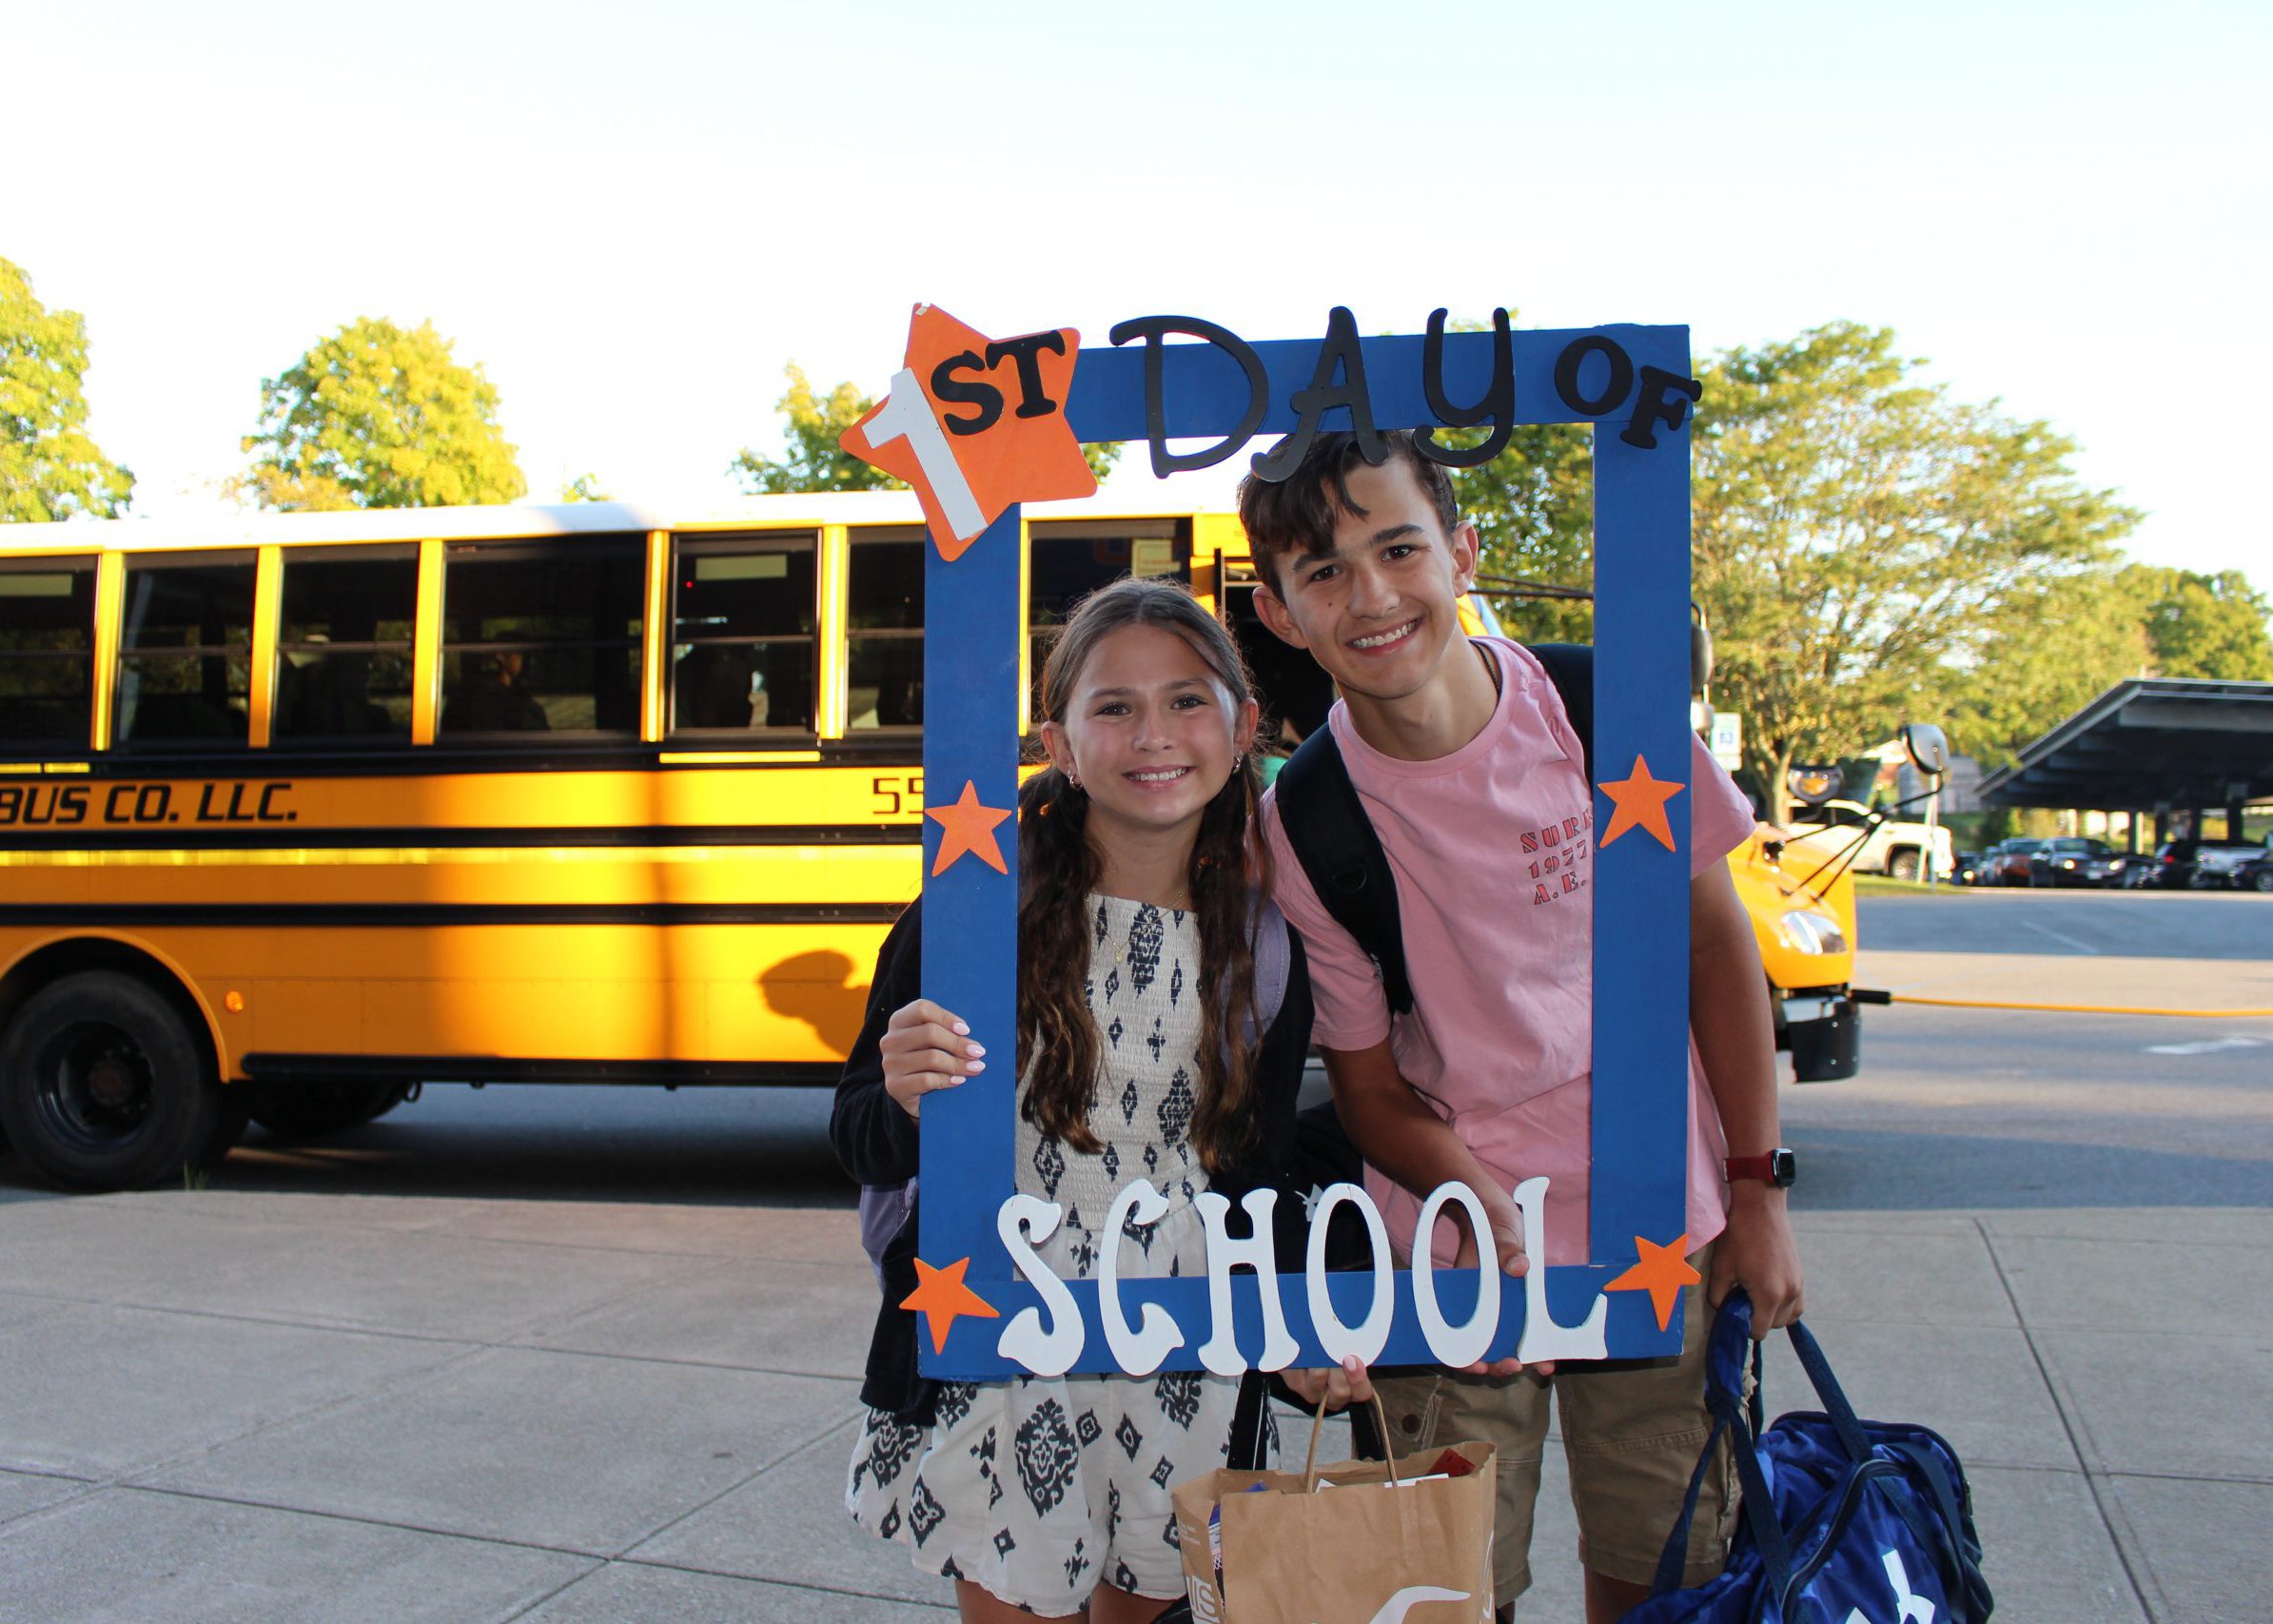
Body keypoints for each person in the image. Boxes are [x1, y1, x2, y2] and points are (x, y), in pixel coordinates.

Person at [1242, 431, 1804, 1624]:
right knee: (1441, 1588)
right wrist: (1473, 1204)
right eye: (1323, 571)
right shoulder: (1306, 820)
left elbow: (1718, 951)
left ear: (1462, 550)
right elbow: (1370, 1088)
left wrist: (1756, 1197)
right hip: (1453, 1260)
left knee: (1668, 1574)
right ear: (1280, 612)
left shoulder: (1607, 710)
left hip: (1667, 1220)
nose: (1373, 596)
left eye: (1398, 548)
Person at [833, 577, 1362, 1624]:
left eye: (1186, 700)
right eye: (1112, 707)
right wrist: (900, 1096)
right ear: (1058, 743)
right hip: (1003, 1340)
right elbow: (858, 1136)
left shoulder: (1263, 943)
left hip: (1187, 1346)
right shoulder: (976, 912)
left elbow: (1257, 1175)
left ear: (1245, 726)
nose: (1152, 734)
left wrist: (1301, 1314)